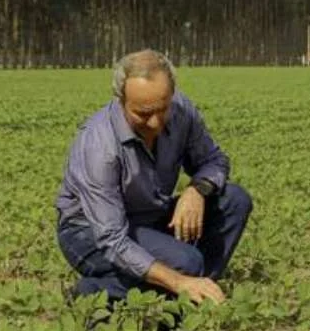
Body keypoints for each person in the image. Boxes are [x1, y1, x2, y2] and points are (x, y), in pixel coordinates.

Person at [54, 49, 253, 305]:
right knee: (185, 263)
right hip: (89, 232)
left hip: (150, 215)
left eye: (163, 108)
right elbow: (112, 239)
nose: (156, 123)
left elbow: (214, 160)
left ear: (171, 94)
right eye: (143, 114)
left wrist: (197, 190)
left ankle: (198, 292)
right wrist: (178, 280)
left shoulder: (181, 111)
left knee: (234, 200)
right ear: (121, 100)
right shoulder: (99, 146)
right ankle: (95, 292)